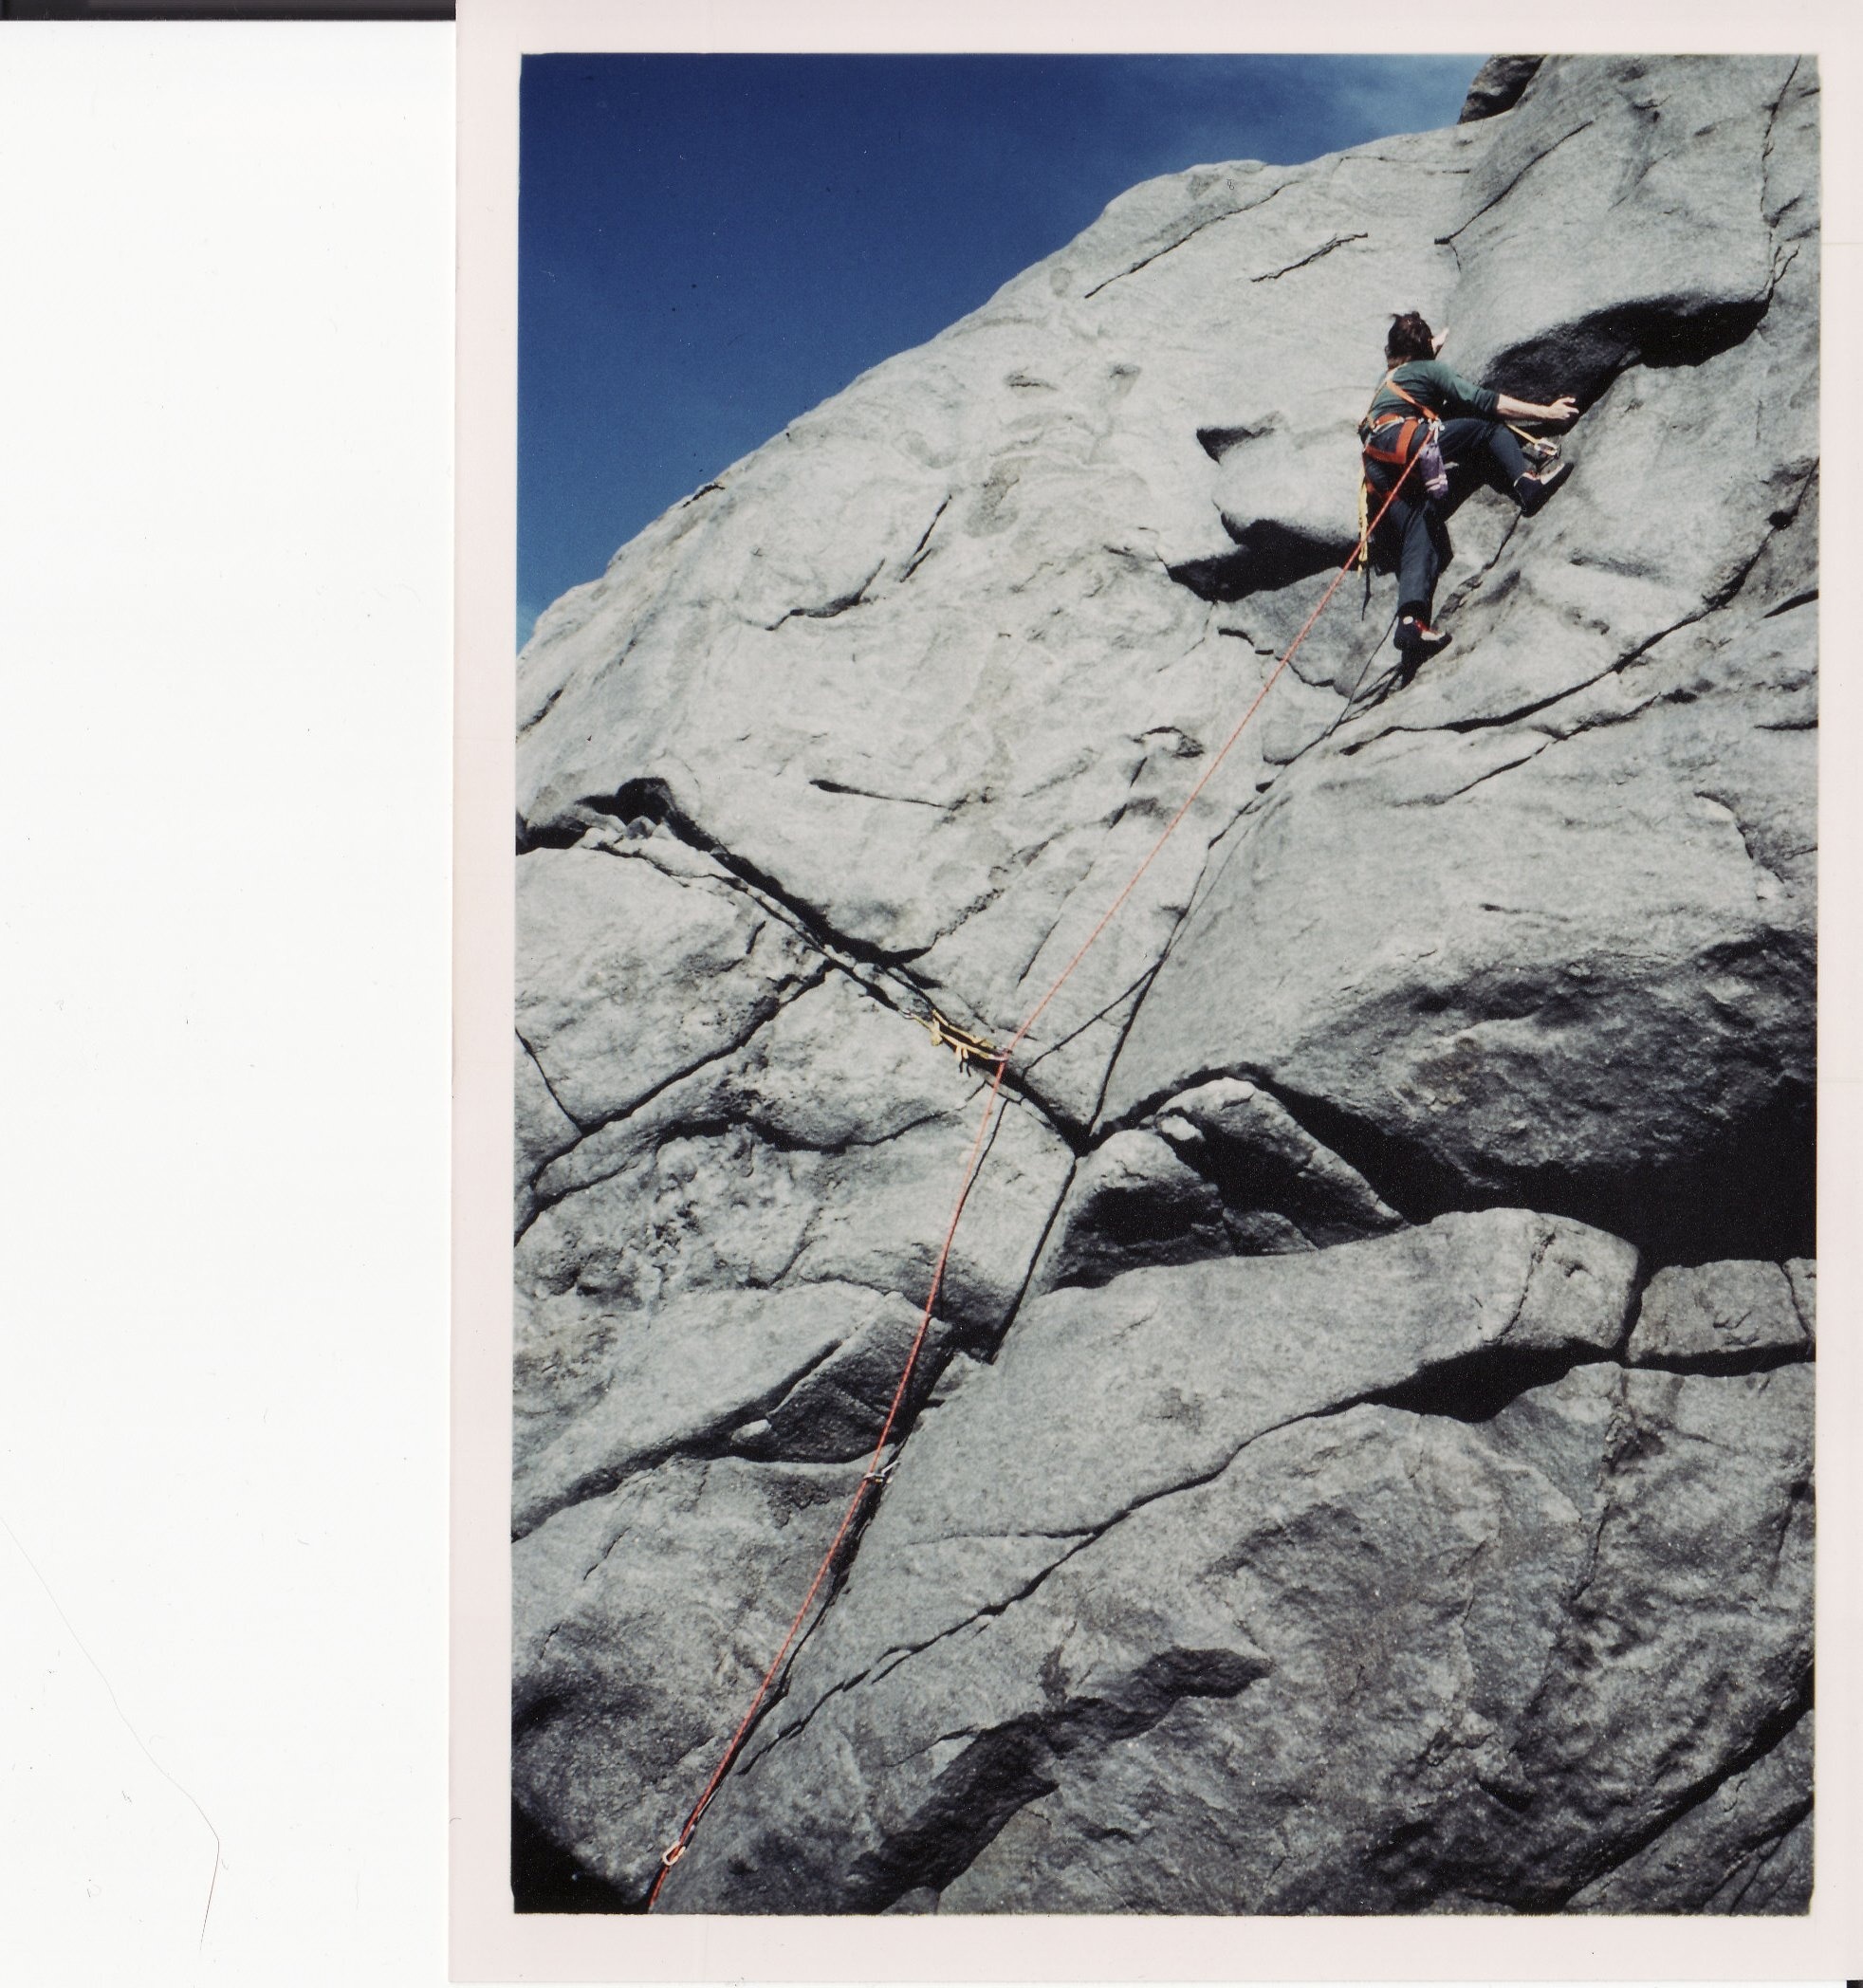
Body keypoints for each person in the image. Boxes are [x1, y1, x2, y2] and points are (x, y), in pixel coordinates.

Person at [1361, 311, 1578, 670]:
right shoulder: (1429, 370)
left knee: (1419, 526)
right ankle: (1526, 483)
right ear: (1424, 350)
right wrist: (1548, 413)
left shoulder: (1386, 380)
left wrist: (1430, 344)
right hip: (1410, 441)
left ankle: (1411, 622)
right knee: (1486, 427)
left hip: (1377, 464)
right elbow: (1487, 401)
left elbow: (1414, 356)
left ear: (1391, 351)